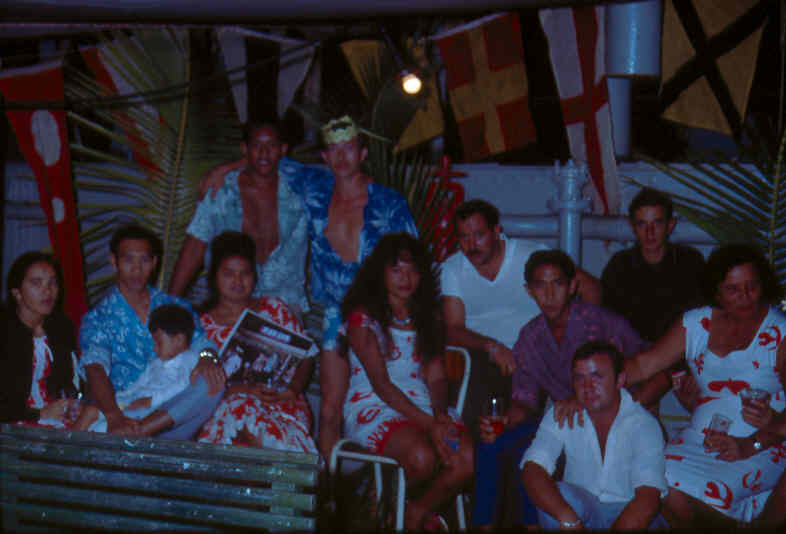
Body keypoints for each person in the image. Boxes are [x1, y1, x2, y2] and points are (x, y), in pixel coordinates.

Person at [198, 115, 418, 457]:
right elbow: (267, 157)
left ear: (362, 154)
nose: (342, 157)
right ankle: (327, 486)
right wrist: (224, 170)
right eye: (334, 150)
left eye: (349, 149)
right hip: (336, 314)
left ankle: (386, 482)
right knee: (329, 409)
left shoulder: (389, 203)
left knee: (388, 399)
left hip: (380, 314)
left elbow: (412, 264)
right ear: (325, 157)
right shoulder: (314, 186)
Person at [473, 250, 647, 528]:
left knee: (529, 454)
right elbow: (525, 400)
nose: (549, 294)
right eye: (540, 285)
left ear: (572, 286)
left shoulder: (602, 322)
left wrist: (592, 400)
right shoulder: (531, 336)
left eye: (557, 283)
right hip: (562, 422)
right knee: (490, 444)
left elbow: (649, 369)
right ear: (529, 291)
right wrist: (505, 420)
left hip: (607, 420)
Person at [621, 244, 786, 526]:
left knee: (706, 492)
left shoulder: (780, 332)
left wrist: (751, 444)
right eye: (733, 289)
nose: (745, 297)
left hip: (762, 446)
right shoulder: (697, 323)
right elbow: (643, 365)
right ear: (716, 292)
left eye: (752, 286)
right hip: (699, 441)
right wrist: (593, 385)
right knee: (650, 475)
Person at [333, 233, 473, 530]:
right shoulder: (362, 319)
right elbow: (381, 385)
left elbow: (436, 376)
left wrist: (439, 415)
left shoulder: (428, 317)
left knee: (468, 458)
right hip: (376, 408)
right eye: (396, 270)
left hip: (425, 409)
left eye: (412, 270)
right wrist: (430, 425)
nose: (405, 278)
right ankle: (381, 502)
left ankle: (414, 511)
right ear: (380, 272)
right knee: (422, 458)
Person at [80, 224, 225, 439]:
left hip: (173, 411)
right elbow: (95, 368)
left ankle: (137, 435)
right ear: (113, 261)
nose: (137, 269)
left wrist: (206, 358)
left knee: (212, 382)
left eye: (145, 260)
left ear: (154, 262)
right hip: (126, 410)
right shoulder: (98, 318)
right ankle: (131, 433)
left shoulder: (175, 306)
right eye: (128, 260)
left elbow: (203, 344)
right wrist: (114, 416)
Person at [521, 340, 667, 530]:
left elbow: (647, 498)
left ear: (620, 380)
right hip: (583, 511)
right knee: (557, 496)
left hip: (631, 512)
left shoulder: (643, 424)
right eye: (579, 378)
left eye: (597, 377)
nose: (587, 387)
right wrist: (568, 519)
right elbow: (532, 467)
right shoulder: (562, 414)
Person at [194, 231, 318, 453]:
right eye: (229, 273)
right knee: (238, 410)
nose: (238, 281)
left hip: (281, 401)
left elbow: (307, 356)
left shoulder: (273, 308)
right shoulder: (202, 325)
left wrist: (293, 389)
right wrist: (244, 389)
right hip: (229, 403)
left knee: (254, 417)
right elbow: (196, 384)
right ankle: (282, 464)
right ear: (214, 276)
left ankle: (283, 461)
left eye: (245, 273)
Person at [169, 121, 308, 314]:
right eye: (257, 145)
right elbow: (195, 246)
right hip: (228, 304)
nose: (264, 153)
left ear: (283, 149)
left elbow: (339, 172)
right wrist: (169, 302)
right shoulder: (222, 190)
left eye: (271, 145)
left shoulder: (302, 190)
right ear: (245, 149)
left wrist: (231, 165)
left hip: (285, 305)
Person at [601, 187, 706, 412]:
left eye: (657, 223)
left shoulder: (690, 262)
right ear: (632, 226)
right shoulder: (619, 266)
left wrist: (694, 368)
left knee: (703, 407)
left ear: (670, 225)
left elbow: (704, 322)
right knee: (635, 402)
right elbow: (608, 324)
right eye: (642, 224)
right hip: (637, 359)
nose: (650, 232)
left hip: (679, 357)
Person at [1, 252, 82, 426]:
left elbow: (68, 384)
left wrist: (72, 404)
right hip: (13, 424)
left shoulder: (61, 328)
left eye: (52, 282)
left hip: (56, 419)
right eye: (36, 283)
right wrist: (39, 414)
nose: (47, 291)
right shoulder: (5, 333)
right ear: (17, 293)